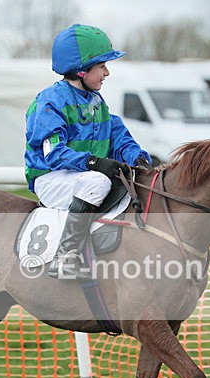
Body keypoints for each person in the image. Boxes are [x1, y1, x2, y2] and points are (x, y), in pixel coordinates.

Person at [25, 24, 152, 281]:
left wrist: (138, 159)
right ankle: (65, 256)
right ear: (81, 70)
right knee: (97, 181)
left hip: (82, 176)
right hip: (51, 177)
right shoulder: (50, 101)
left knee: (120, 180)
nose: (107, 72)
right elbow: (54, 154)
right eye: (102, 66)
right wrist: (95, 162)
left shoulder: (96, 103)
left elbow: (119, 137)